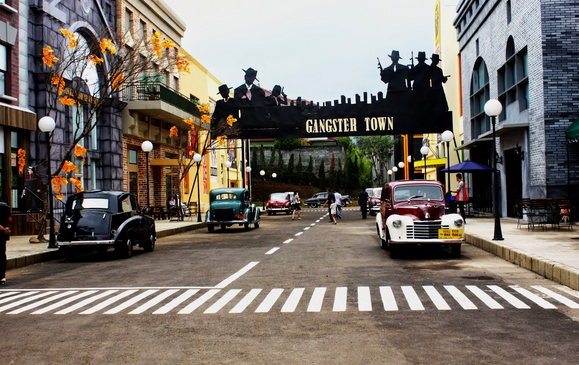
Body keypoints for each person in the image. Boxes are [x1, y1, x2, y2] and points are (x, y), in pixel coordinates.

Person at [0, 197, 11, 285]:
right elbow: (9, 219)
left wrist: (3, 229)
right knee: (2, 253)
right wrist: (6, 228)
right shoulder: (5, 204)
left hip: (2, 231)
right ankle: (2, 275)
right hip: (3, 234)